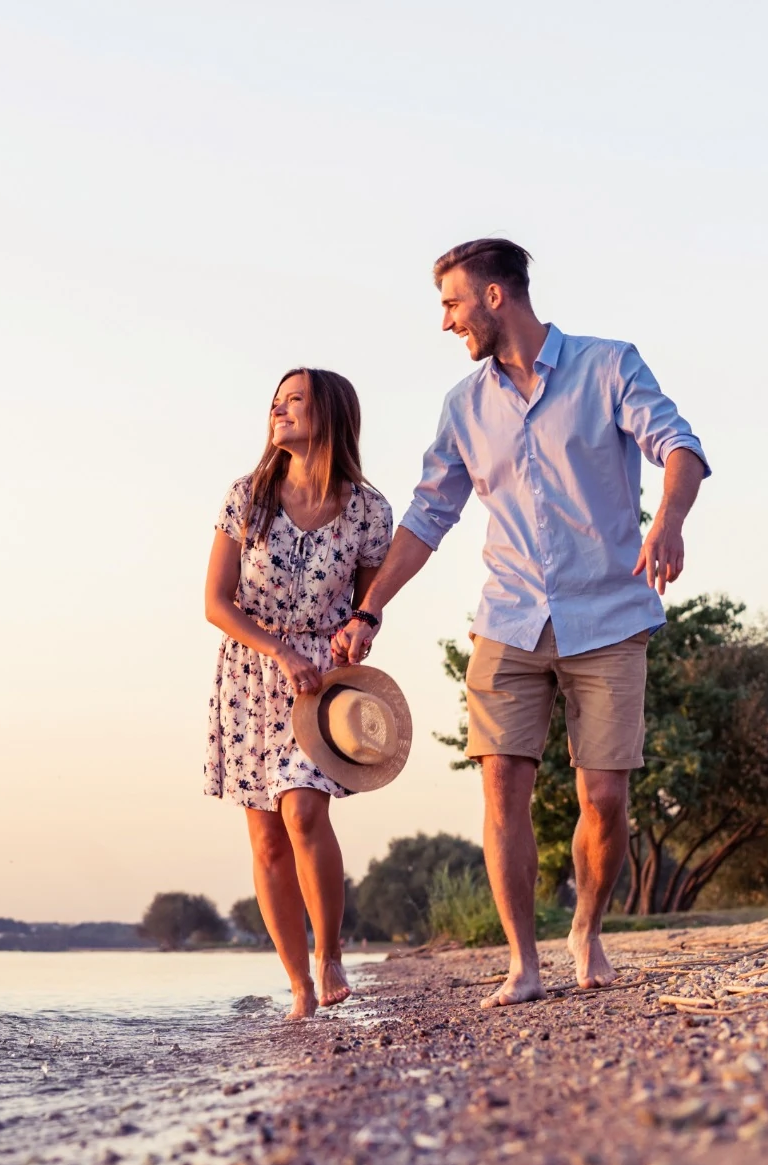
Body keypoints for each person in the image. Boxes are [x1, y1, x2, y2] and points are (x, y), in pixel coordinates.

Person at [333, 238, 709, 1008]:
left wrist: (667, 518)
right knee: (502, 783)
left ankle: (587, 927)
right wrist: (371, 605)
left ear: (495, 296)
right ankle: (523, 963)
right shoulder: (463, 407)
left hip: (607, 613)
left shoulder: (609, 366)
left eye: (451, 303)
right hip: (508, 616)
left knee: (603, 795)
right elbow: (428, 515)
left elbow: (681, 448)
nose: (445, 322)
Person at [204, 368, 395, 1020]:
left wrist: (356, 635)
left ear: (331, 414)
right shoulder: (247, 497)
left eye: (295, 400)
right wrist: (277, 650)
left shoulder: (368, 510)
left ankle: (330, 954)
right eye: (275, 402)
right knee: (265, 839)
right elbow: (215, 603)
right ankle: (298, 986)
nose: (279, 409)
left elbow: (368, 603)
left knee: (304, 810)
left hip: (319, 679)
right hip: (253, 671)